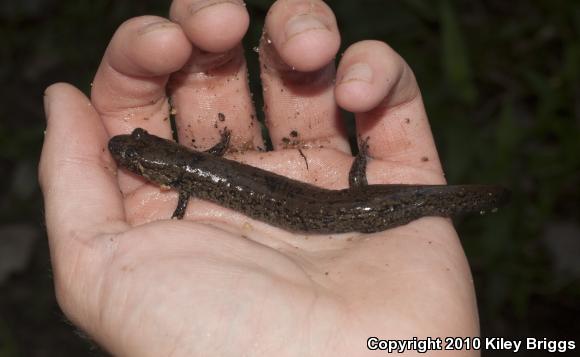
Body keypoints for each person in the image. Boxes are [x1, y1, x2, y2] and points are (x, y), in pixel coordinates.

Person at [39, 0, 479, 355]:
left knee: (404, 201)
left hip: (343, 215)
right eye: (136, 155)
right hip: (343, 209)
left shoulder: (185, 182)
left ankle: (447, 199)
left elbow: (188, 189)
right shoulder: (190, 170)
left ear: (162, 167)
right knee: (393, 199)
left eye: (137, 151)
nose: (128, 153)